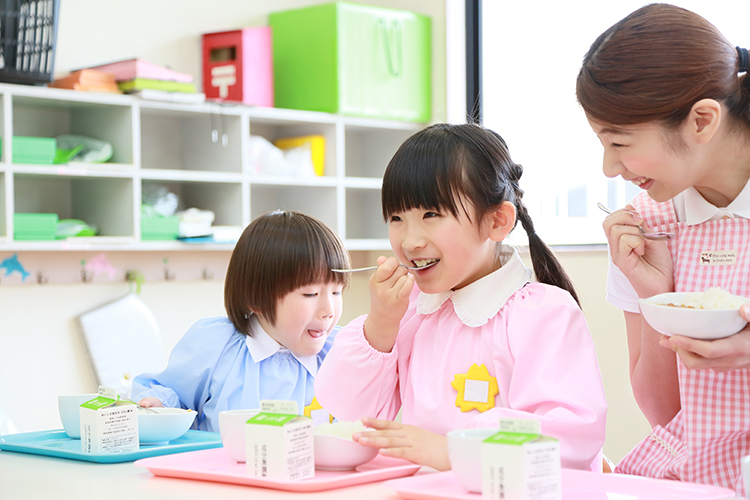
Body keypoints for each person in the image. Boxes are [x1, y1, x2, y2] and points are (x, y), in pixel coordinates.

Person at [314, 123, 607, 472]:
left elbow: (570, 437)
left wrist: (455, 450)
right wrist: (381, 323)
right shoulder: (410, 312)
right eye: (396, 218)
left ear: (497, 221)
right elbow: (348, 414)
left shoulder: (542, 313)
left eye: (431, 215)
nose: (409, 241)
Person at [576, 3, 750, 494]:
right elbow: (665, 414)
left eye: (620, 143)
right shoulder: (645, 224)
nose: (610, 168)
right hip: (689, 480)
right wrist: (657, 295)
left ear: (701, 121)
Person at [131, 210, 350, 433]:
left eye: (336, 292)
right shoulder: (216, 346)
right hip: (220, 467)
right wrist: (159, 407)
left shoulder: (342, 350)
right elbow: (172, 396)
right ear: (257, 299)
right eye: (311, 294)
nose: (329, 311)